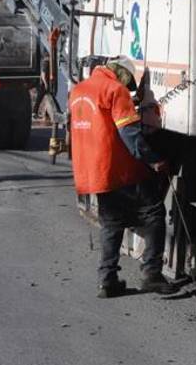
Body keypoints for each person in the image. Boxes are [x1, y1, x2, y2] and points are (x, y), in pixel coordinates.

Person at [68, 56, 178, 298]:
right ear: (122, 74)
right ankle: (152, 274)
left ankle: (107, 280)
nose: (127, 87)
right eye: (127, 82)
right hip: (118, 169)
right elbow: (129, 133)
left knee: (111, 223)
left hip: (93, 170)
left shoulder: (79, 90)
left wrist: (133, 101)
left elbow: (98, 118)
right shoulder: (115, 90)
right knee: (153, 213)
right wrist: (153, 160)